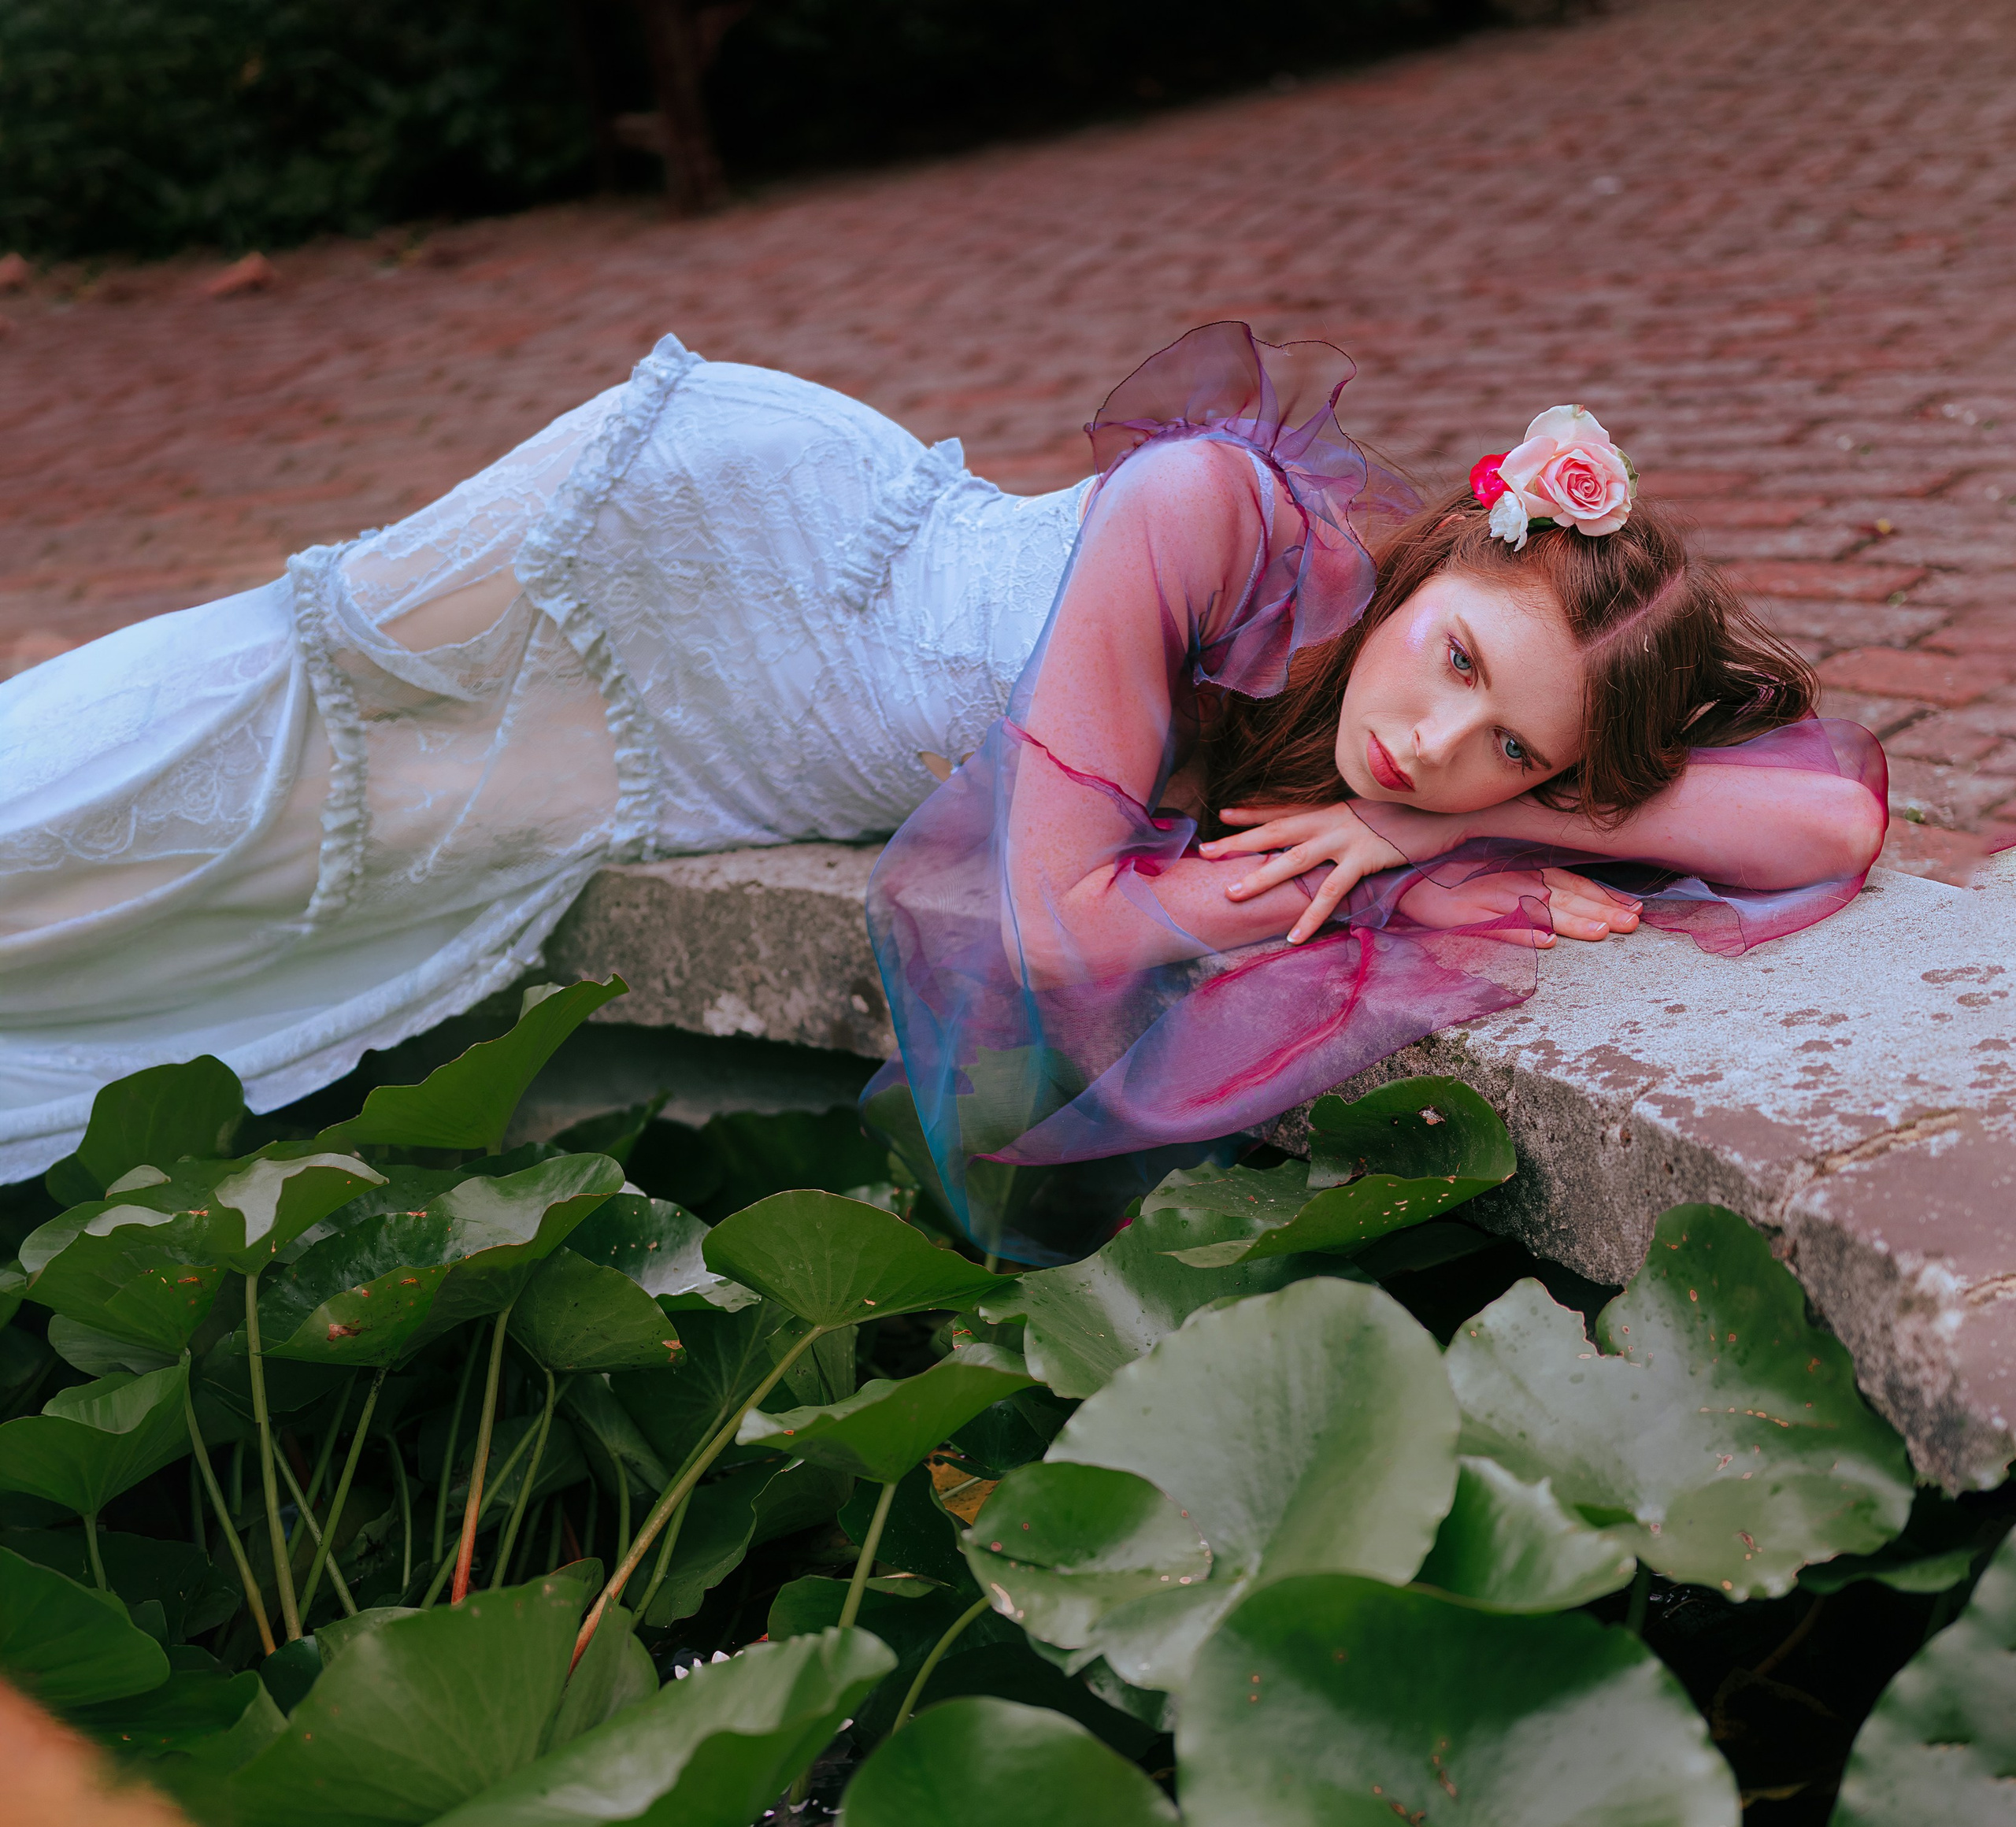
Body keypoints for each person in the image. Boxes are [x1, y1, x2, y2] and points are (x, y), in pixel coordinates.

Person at [0, 322, 1883, 1257]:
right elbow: (1059, 944)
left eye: (1512, 745)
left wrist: (1446, 819)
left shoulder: (1426, 768)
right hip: (703, 565)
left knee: (264, 903)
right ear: (1429, 565)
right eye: (1455, 664)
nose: (1433, 734)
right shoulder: (1202, 516)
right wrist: (1436, 814)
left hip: (693, 752)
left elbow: (1826, 827)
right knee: (254, 723)